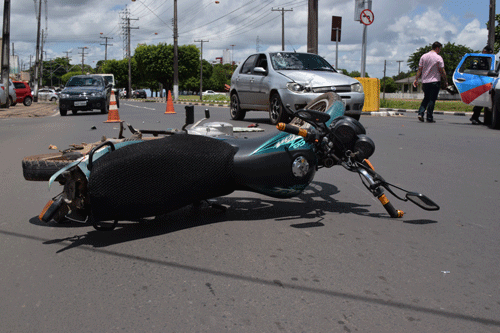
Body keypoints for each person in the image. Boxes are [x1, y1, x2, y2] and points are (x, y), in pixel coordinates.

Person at [414, 41, 447, 123]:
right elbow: (442, 70)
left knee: (426, 98)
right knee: (432, 99)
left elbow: (419, 69)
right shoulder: (438, 57)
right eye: (440, 49)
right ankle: (429, 117)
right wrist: (445, 80)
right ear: (437, 48)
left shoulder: (423, 56)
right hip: (435, 81)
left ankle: (420, 113)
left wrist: (416, 79)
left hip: (425, 81)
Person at [470, 45, 494, 125]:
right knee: (479, 101)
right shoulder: (477, 60)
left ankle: (475, 117)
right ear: (484, 51)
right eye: (488, 53)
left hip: (483, 83)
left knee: (482, 101)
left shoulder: (486, 60)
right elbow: (474, 71)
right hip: (477, 82)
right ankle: (474, 117)